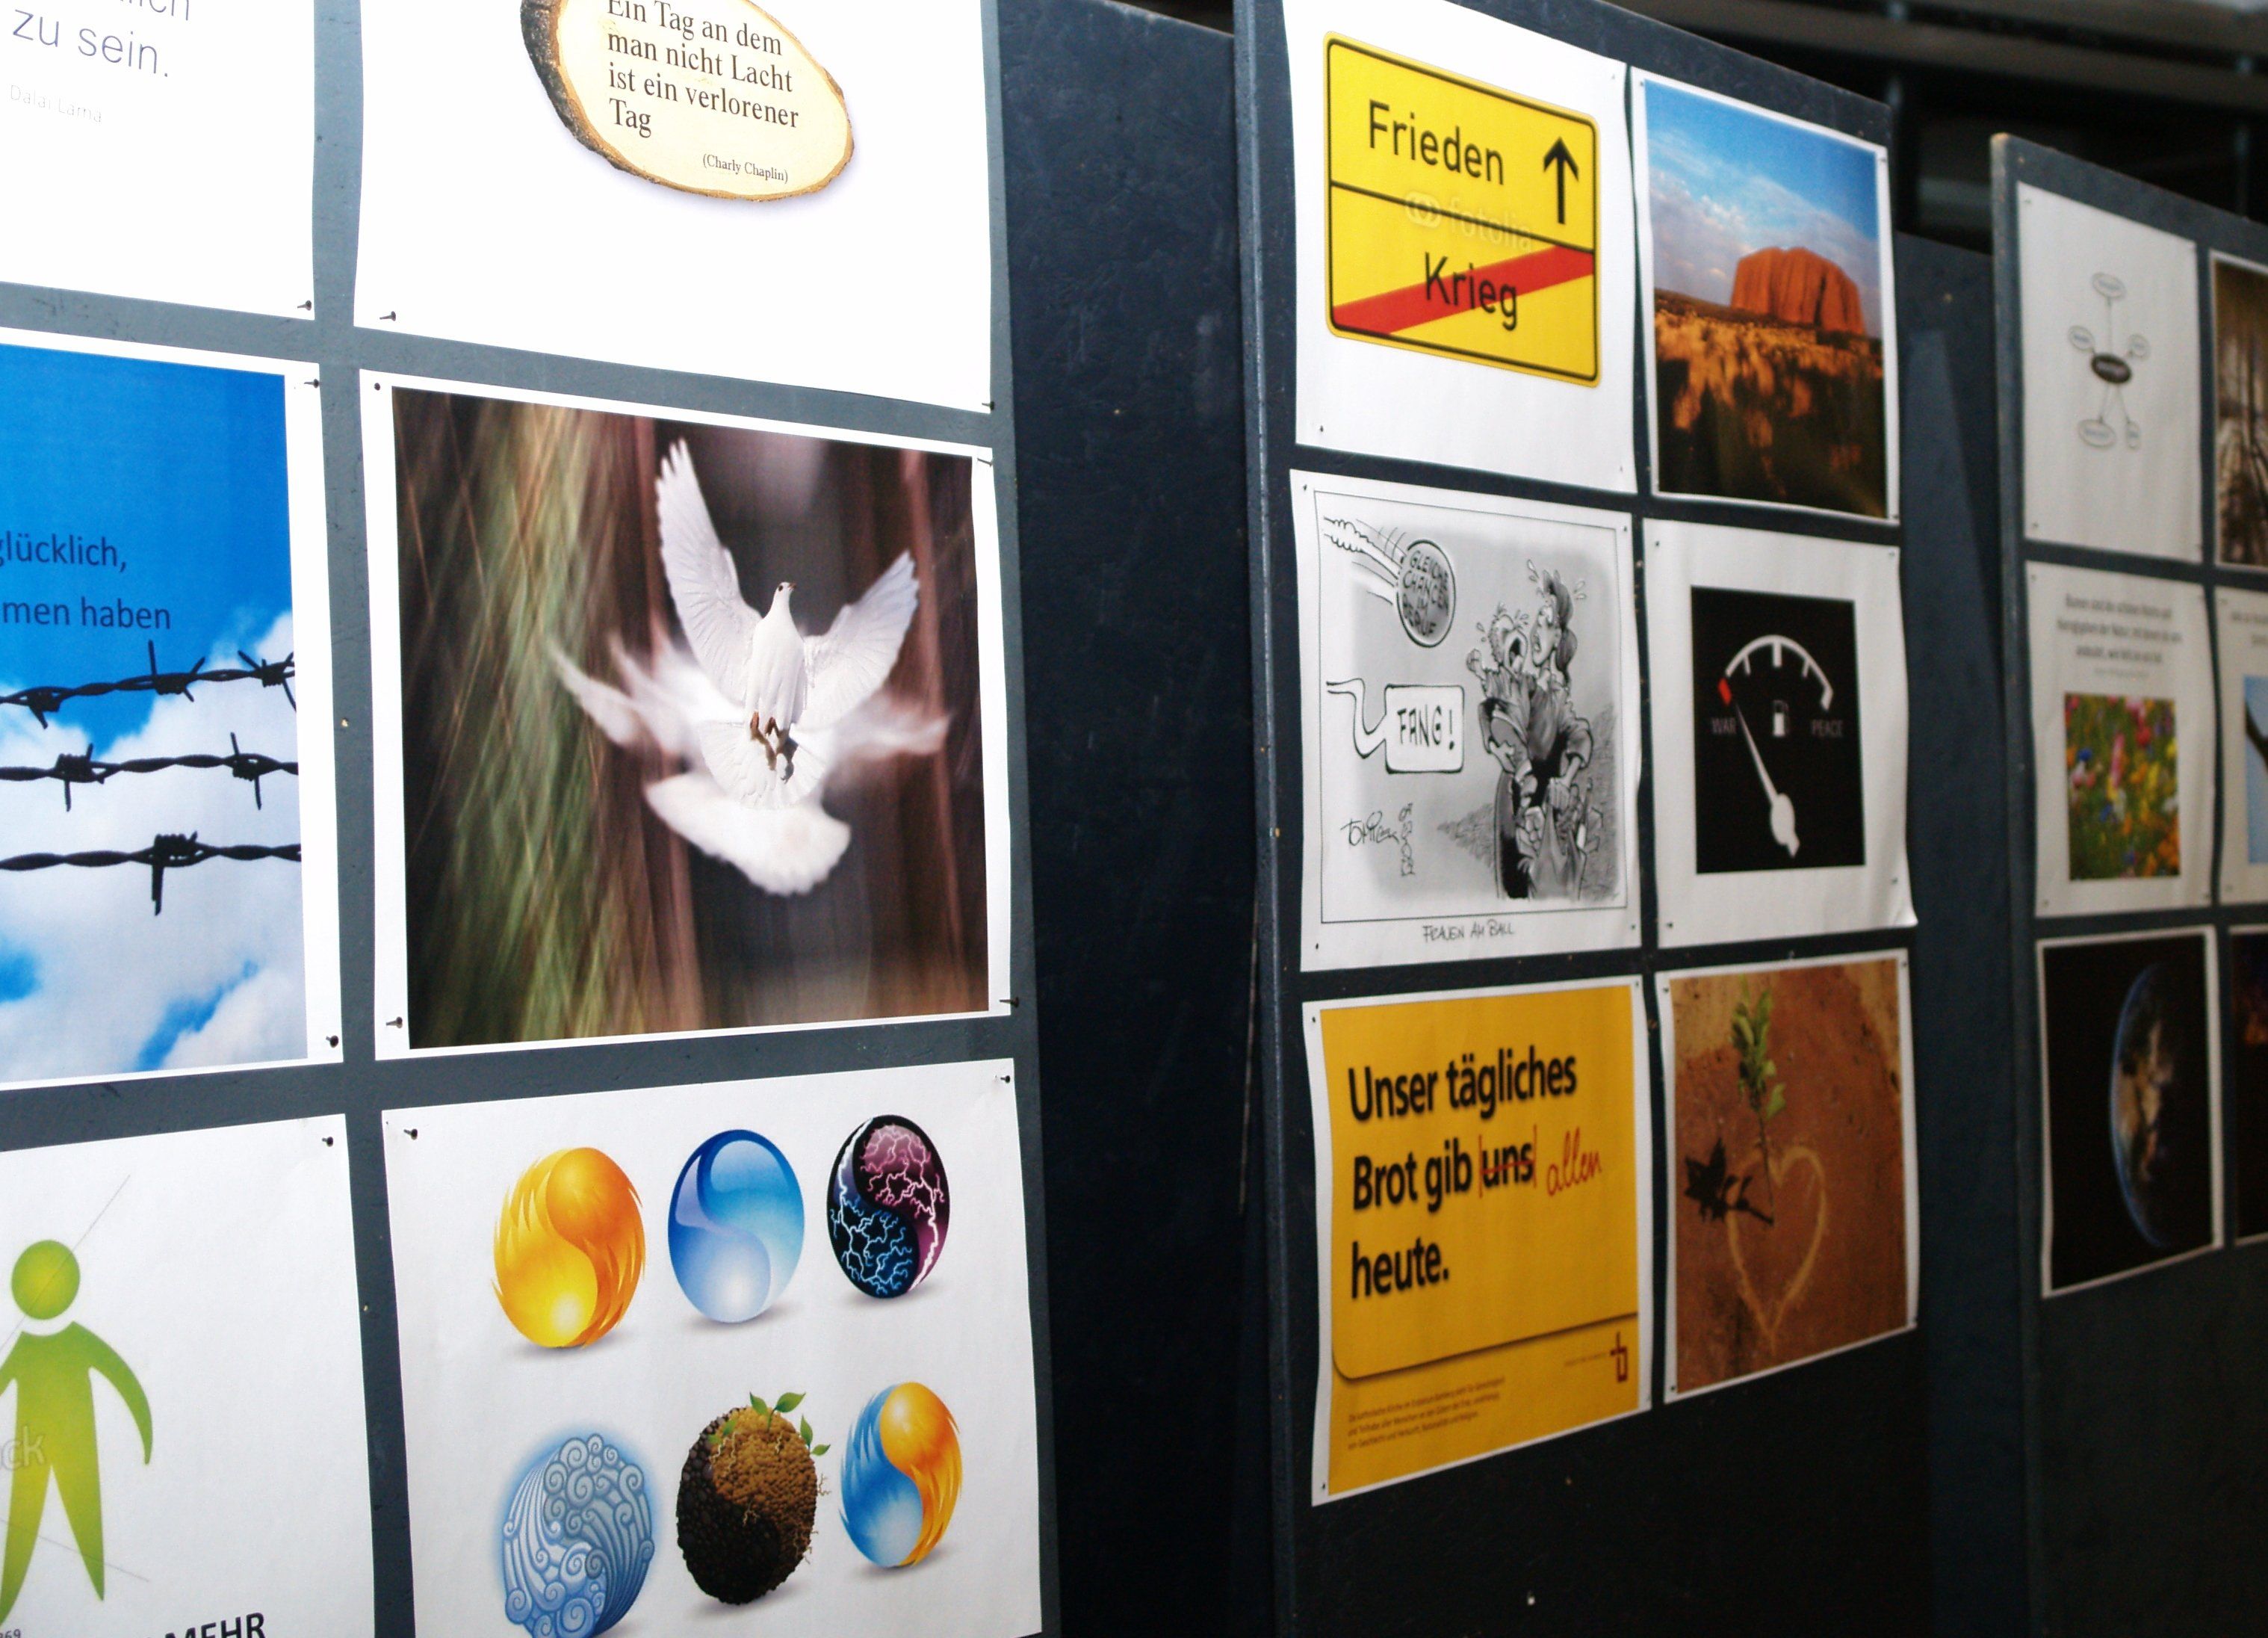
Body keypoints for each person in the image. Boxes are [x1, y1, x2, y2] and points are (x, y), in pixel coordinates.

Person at [0, 1240, 152, 1620]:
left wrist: (146, 1438)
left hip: (48, 1447)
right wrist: (145, 1438)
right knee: (26, 1528)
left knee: (72, 1525)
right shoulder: (57, 1345)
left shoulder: (39, 1348)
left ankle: (95, 1594)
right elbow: (127, 1384)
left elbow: (127, 1386)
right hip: (34, 1448)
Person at [1467, 565, 1595, 899]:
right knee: (1514, 891)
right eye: (1538, 620)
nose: (1537, 628)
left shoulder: (1557, 699)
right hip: (1514, 801)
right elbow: (1489, 708)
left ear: (1559, 637)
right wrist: (1493, 745)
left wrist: (1566, 779)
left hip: (1543, 811)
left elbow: (1580, 735)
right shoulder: (1524, 684)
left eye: (1545, 622)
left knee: (1545, 890)